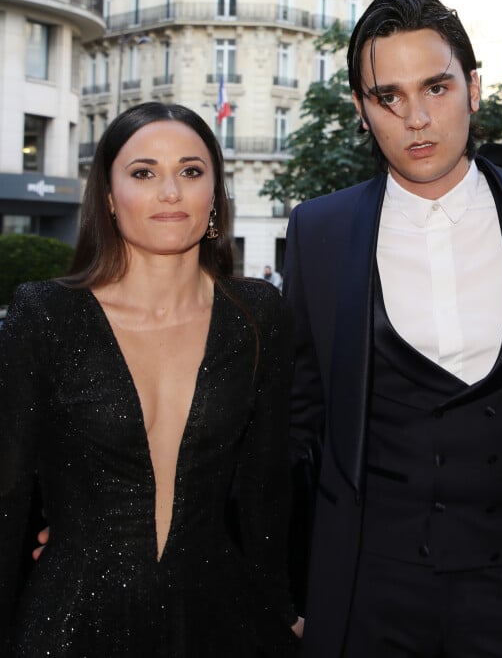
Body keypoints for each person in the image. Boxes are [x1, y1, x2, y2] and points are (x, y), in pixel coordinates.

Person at [284, 0, 502, 658]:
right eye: (388, 96)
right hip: (372, 596)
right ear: (362, 111)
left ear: (473, 88)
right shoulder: (319, 233)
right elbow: (296, 426)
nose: (416, 117)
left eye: (436, 87)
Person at [0, 102, 302, 656]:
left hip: (221, 615)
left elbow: (267, 486)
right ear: (110, 199)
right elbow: (7, 491)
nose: (171, 192)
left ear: (215, 195)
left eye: (191, 171)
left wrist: (281, 610)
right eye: (144, 173)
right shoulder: (45, 316)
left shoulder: (258, 317)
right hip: (70, 620)